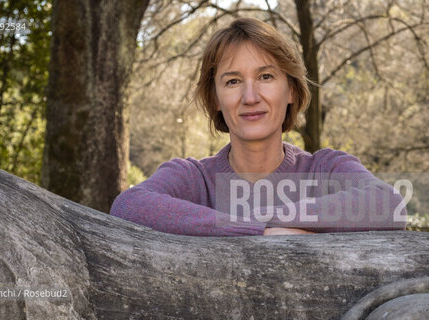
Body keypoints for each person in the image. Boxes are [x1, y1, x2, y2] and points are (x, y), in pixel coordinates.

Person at [110, 18, 407, 236]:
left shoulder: (325, 169)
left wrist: (276, 220)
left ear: (291, 90)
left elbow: (389, 203)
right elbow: (128, 206)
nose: (250, 97)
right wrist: (258, 230)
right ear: (215, 99)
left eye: (265, 77)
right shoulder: (193, 179)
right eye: (233, 81)